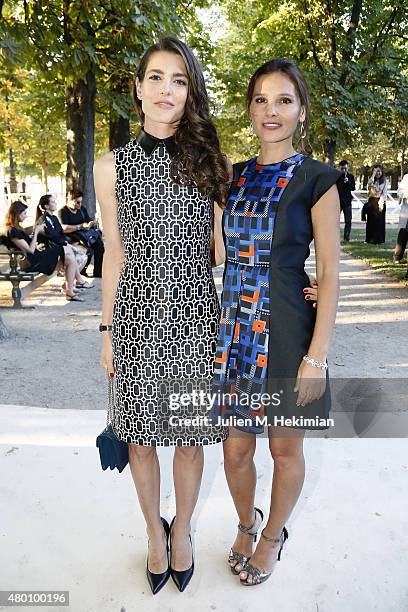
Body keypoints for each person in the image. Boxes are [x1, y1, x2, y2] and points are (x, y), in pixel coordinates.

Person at [95, 37, 320, 595]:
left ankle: (184, 535)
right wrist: (105, 329)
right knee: (141, 438)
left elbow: (231, 244)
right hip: (136, 317)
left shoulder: (213, 163)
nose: (165, 89)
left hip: (199, 316)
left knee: (191, 435)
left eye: (178, 79)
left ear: (189, 91)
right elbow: (115, 253)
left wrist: (293, 277)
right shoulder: (110, 166)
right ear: (138, 89)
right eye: (155, 78)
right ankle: (154, 532)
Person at [211, 58, 340, 586]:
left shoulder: (318, 180)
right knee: (236, 447)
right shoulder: (231, 176)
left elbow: (330, 272)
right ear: (249, 110)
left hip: (287, 329)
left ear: (301, 111)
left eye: (284, 100)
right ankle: (247, 522)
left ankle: (272, 537)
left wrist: (317, 358)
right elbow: (218, 253)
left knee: (285, 448)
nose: (272, 110)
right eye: (261, 100)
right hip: (233, 329)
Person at [2, 200, 84, 301]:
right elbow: (30, 251)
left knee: (69, 258)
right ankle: (72, 288)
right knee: (63, 250)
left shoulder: (16, 228)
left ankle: (69, 291)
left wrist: (36, 240)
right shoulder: (12, 231)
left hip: (34, 257)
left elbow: (30, 247)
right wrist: (36, 232)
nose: (26, 216)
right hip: (31, 261)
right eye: (24, 213)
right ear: (16, 214)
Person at [36, 194, 93, 290]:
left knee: (83, 255)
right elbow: (51, 237)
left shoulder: (53, 218)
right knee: (74, 256)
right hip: (48, 251)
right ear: (46, 206)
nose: (55, 203)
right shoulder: (43, 219)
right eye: (53, 202)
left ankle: (71, 283)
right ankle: (75, 283)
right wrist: (66, 245)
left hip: (57, 247)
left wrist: (67, 244)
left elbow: (60, 234)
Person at [59, 190, 104, 277]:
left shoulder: (82, 209)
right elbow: (63, 228)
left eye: (81, 202)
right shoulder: (62, 211)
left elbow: (88, 219)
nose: (79, 204)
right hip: (71, 237)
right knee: (89, 248)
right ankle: (81, 271)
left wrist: (92, 223)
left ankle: (98, 272)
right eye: (77, 202)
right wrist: (79, 226)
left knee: (99, 244)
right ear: (69, 200)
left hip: (83, 236)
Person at [362, 165, 387, 244]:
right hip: (371, 201)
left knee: (379, 222)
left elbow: (384, 193)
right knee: (370, 222)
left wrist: (381, 204)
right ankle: (369, 239)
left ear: (382, 172)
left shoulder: (384, 181)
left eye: (379, 171)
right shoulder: (372, 180)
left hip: (380, 201)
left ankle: (379, 240)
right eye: (376, 171)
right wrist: (373, 174)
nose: (378, 173)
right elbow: (369, 184)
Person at [337, 159, 355, 241]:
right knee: (335, 220)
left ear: (348, 167)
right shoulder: (337, 176)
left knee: (348, 220)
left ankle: (346, 237)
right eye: (342, 169)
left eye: (345, 168)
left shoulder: (351, 176)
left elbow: (353, 188)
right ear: (339, 168)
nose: (344, 170)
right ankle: (335, 237)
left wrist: (347, 182)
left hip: (347, 201)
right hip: (338, 201)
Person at [393, 172, 408, 270]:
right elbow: (400, 191)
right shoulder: (407, 177)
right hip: (407, 210)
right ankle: (398, 256)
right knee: (403, 235)